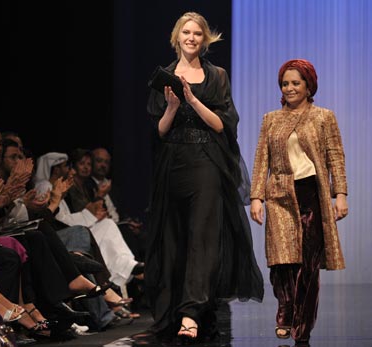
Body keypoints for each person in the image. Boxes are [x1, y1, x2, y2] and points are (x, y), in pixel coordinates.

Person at [145, 11, 264, 343]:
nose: (192, 38)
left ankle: (191, 313)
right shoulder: (164, 76)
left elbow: (223, 125)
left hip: (207, 163)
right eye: (186, 32)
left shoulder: (216, 76)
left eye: (198, 33)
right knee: (174, 238)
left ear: (205, 39)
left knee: (204, 238)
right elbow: (159, 131)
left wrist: (192, 100)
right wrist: (170, 107)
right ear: (176, 36)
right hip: (173, 164)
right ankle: (174, 309)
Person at [249, 59, 348, 347]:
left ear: (308, 85)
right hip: (279, 196)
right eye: (285, 83)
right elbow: (261, 161)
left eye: (296, 83)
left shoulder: (323, 117)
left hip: (312, 196)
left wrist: (339, 194)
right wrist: (257, 197)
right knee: (282, 263)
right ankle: (286, 309)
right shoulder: (271, 119)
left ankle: (302, 326)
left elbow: (335, 158)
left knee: (308, 265)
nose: (290, 88)